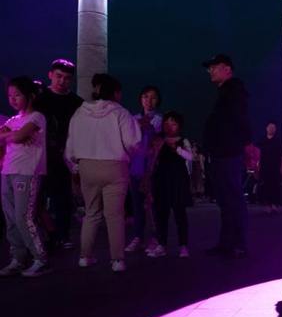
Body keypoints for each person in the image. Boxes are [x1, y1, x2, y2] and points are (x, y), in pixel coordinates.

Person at [65, 74, 141, 272]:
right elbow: (133, 142)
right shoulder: (121, 113)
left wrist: (76, 165)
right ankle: (117, 260)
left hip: (87, 167)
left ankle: (84, 256)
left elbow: (70, 146)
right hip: (114, 166)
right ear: (116, 93)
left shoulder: (80, 113)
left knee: (91, 213)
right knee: (114, 215)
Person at [0, 77, 51, 277]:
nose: (12, 99)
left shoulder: (37, 117)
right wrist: (11, 134)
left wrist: (14, 135)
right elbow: (9, 136)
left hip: (27, 172)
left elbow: (19, 136)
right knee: (11, 218)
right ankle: (18, 258)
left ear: (30, 96)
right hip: (7, 171)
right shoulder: (13, 120)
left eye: (17, 95)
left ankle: (41, 259)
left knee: (24, 217)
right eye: (10, 96)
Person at [201, 54, 251, 260]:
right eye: (209, 68)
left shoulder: (234, 90)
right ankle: (226, 243)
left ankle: (238, 244)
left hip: (229, 153)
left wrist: (244, 145)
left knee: (232, 199)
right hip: (221, 153)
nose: (210, 71)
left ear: (227, 68)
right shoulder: (225, 92)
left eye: (214, 67)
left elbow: (241, 119)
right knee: (224, 200)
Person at [35, 59, 83, 250]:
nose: (62, 81)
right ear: (50, 75)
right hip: (37, 153)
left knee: (61, 197)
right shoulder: (38, 97)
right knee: (35, 198)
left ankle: (62, 236)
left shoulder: (76, 102)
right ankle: (45, 236)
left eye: (67, 78)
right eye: (59, 76)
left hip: (62, 155)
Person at [141, 111, 193, 259]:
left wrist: (176, 148)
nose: (169, 126)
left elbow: (190, 156)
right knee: (160, 214)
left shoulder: (183, 140)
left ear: (180, 126)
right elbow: (147, 154)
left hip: (178, 181)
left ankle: (183, 246)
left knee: (180, 214)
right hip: (161, 180)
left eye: (173, 124)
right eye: (166, 123)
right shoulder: (158, 140)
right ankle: (161, 244)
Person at [124, 85, 163, 255]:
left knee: (153, 206)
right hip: (136, 168)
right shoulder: (133, 119)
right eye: (146, 96)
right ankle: (138, 237)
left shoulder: (160, 120)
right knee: (137, 205)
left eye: (153, 97)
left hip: (152, 169)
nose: (149, 100)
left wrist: (149, 129)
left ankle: (156, 237)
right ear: (140, 99)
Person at [257, 121, 282, 213]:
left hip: (275, 167)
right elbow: (257, 154)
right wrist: (257, 166)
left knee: (275, 186)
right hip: (264, 166)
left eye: (274, 127)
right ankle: (267, 205)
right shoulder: (262, 140)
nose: (271, 129)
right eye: (270, 127)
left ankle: (274, 205)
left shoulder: (278, 141)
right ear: (266, 128)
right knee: (265, 186)